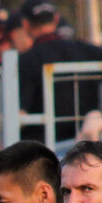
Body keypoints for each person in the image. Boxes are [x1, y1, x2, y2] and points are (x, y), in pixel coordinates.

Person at [17, 0, 102, 143]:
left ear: (25, 24)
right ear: (56, 19)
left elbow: (21, 113)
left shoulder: (26, 60)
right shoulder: (89, 51)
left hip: (43, 149)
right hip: (86, 144)